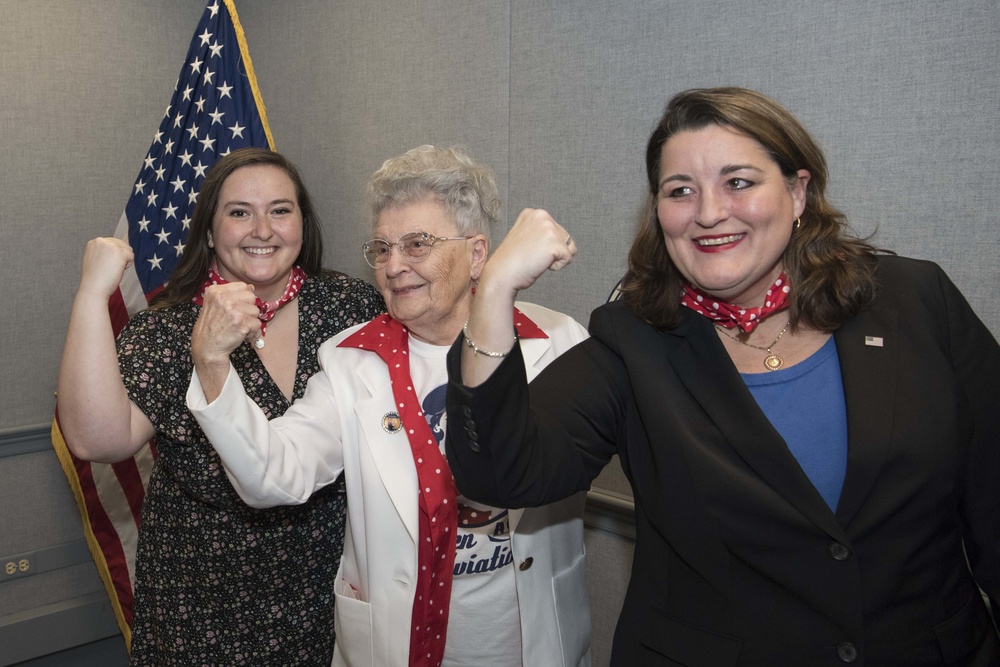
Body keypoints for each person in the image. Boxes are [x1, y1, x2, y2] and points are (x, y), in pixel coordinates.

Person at [446, 87, 1000, 666]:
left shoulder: (916, 301)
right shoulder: (632, 342)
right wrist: (496, 291)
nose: (708, 213)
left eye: (739, 182)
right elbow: (499, 473)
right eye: (680, 191)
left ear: (797, 191)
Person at [185, 145, 592, 667]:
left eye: (417, 244)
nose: (394, 266)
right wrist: (213, 363)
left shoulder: (555, 341)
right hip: (395, 646)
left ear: (476, 254)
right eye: (381, 248)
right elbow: (273, 477)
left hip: (530, 641)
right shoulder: (350, 360)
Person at [57, 148, 385, 666]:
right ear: (209, 232)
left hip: (327, 585)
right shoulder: (167, 329)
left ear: (303, 222)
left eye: (281, 209)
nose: (263, 229)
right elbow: (97, 440)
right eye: (239, 212)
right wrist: (91, 293)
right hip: (199, 599)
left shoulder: (349, 307)